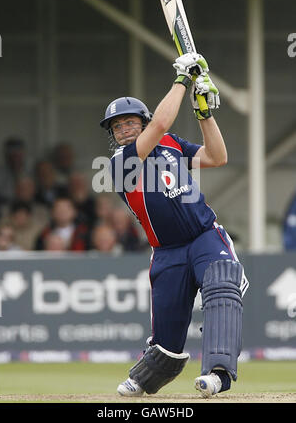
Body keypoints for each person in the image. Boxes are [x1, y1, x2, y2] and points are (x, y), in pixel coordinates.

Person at [100, 52, 249, 399]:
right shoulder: (120, 163)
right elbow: (161, 124)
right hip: (167, 253)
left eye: (129, 122)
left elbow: (216, 157)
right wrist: (183, 79)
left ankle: (218, 374)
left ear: (141, 120)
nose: (123, 129)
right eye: (117, 126)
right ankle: (147, 378)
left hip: (203, 237)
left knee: (222, 286)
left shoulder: (169, 144)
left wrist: (204, 113)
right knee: (166, 340)